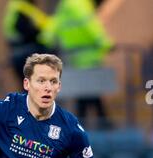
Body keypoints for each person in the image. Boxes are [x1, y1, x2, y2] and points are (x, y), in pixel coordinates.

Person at [40, 0, 113, 128]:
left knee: (85, 94)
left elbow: (51, 30)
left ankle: (90, 123)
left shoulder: (63, 5)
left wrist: (45, 44)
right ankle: (102, 123)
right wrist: (106, 43)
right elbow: (92, 26)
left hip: (73, 58)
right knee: (90, 92)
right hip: (89, 57)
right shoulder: (81, 4)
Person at [3, 0, 50, 87]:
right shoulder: (22, 8)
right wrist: (38, 34)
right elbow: (24, 29)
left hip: (21, 52)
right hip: (27, 52)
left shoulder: (20, 7)